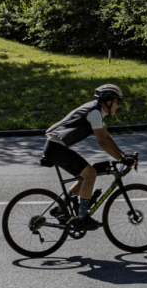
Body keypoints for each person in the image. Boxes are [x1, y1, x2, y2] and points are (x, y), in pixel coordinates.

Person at [42, 85, 135, 230]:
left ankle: (60, 209)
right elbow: (102, 142)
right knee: (90, 174)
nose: (119, 105)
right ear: (108, 101)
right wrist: (121, 159)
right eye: (118, 102)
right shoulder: (94, 113)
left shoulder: (97, 111)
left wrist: (123, 155)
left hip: (56, 147)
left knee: (85, 176)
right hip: (55, 148)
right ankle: (82, 217)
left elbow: (106, 136)